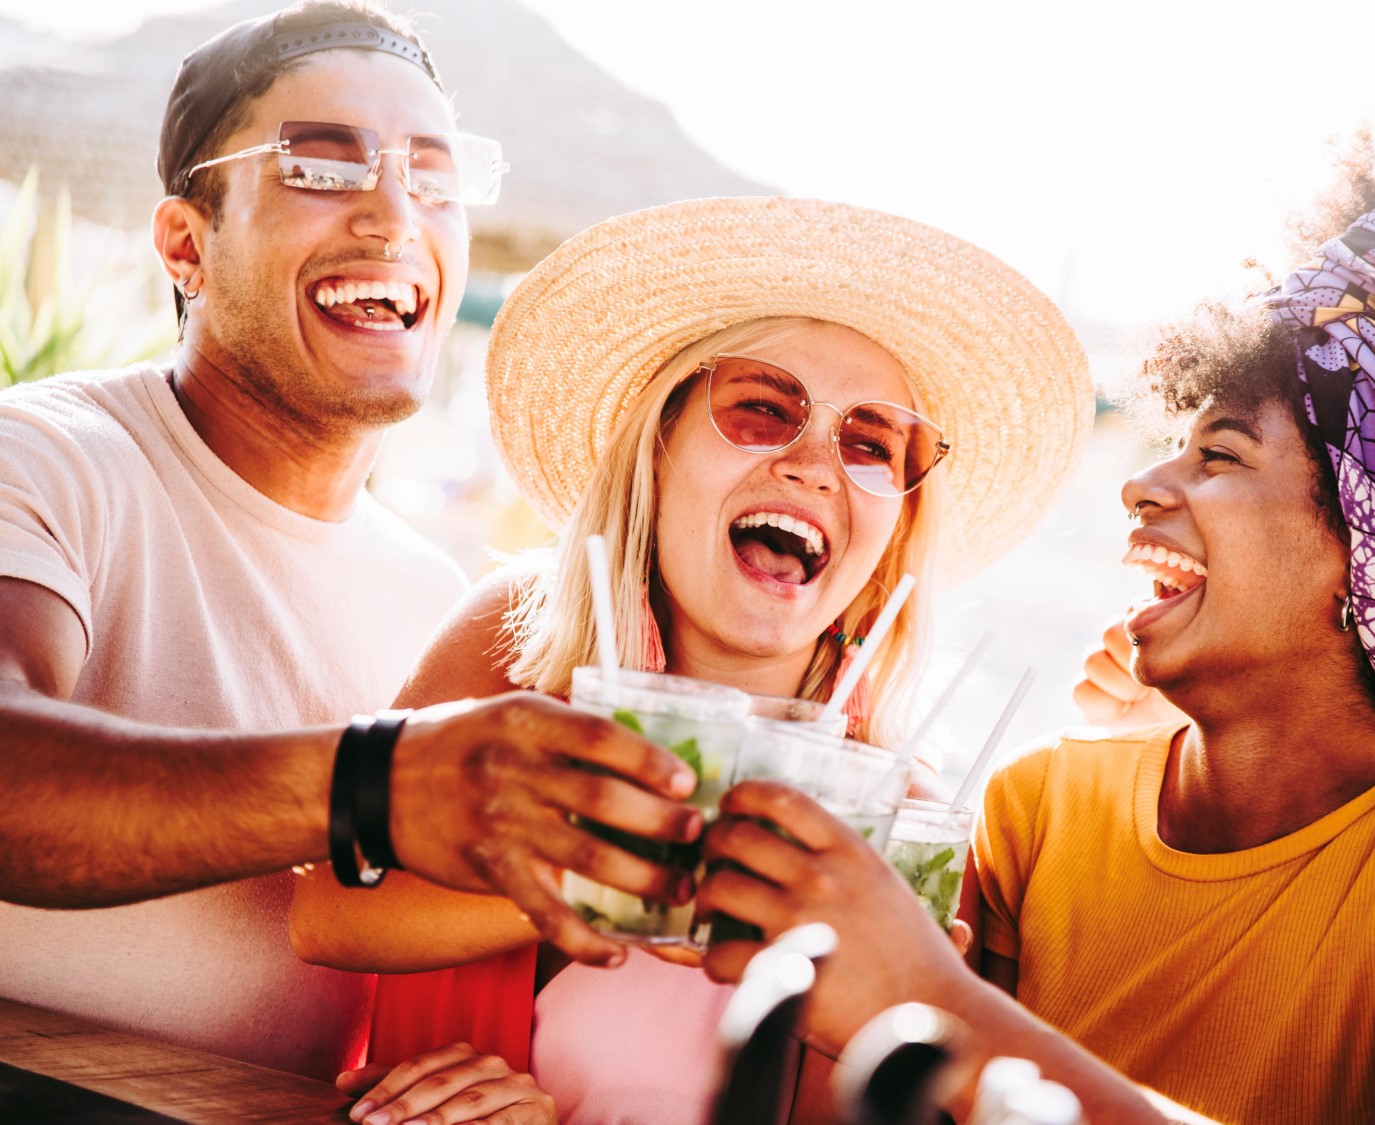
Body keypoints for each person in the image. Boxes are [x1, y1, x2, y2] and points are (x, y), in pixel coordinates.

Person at [698, 196, 1375, 1124]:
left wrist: (943, 1006)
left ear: (1373, 558)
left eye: (1221, 456)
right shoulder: (1036, 806)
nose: (1141, 485)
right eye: (1174, 447)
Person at [0, 0, 702, 1085]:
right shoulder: (48, 459)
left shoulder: (432, 595)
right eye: (321, 166)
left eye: (434, 175)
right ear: (187, 243)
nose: (392, 217)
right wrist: (371, 783)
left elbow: (384, 975)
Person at [289, 196, 1094, 1125]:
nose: (813, 464)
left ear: (897, 527)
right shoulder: (518, 637)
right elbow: (330, 915)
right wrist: (657, 869)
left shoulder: (894, 821)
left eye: (872, 442)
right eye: (761, 408)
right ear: (659, 445)